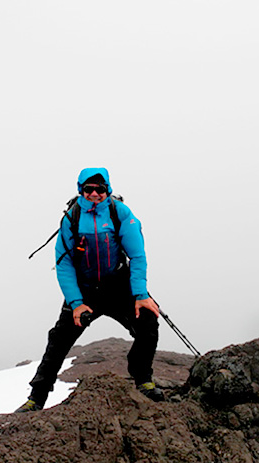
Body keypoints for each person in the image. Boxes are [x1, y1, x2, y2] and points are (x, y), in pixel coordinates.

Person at [16, 167, 163, 412]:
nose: (95, 194)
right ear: (80, 189)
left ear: (108, 189)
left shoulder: (121, 213)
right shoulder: (71, 218)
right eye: (89, 189)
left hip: (118, 285)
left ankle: (143, 380)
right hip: (85, 292)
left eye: (100, 189)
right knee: (58, 341)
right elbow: (63, 264)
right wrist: (75, 303)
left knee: (147, 322)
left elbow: (137, 256)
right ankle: (36, 398)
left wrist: (140, 295)